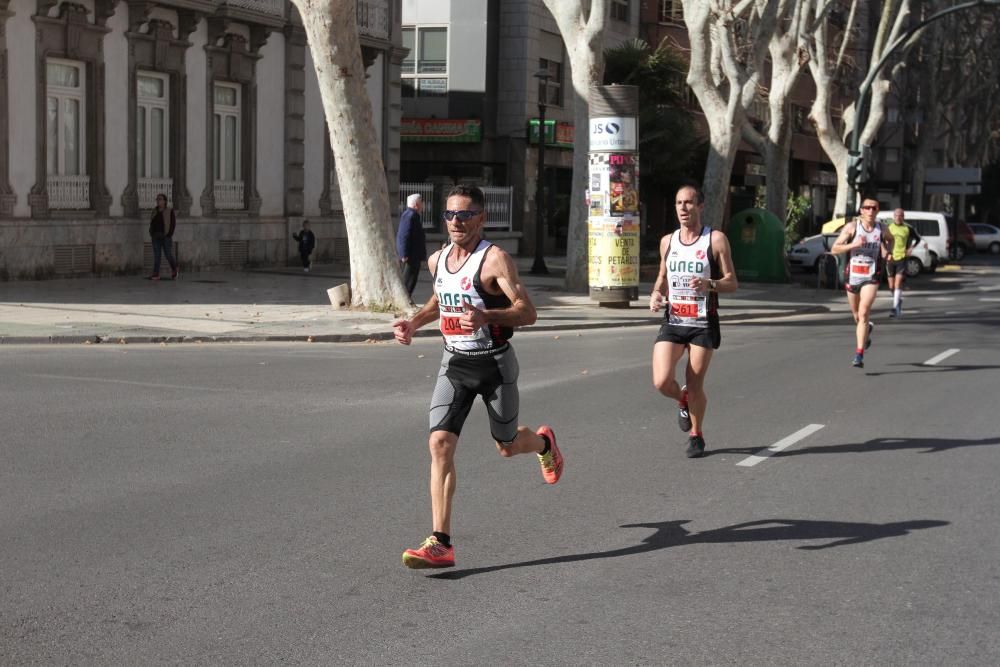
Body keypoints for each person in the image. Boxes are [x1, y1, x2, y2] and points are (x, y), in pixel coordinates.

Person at [392, 184, 563, 569]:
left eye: (465, 215)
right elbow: (440, 299)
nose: (456, 222)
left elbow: (527, 311)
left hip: (495, 365)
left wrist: (488, 316)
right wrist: (414, 322)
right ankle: (440, 542)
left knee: (505, 445)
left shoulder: (494, 260)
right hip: (454, 364)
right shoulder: (438, 261)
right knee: (439, 444)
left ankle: (542, 445)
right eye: (450, 215)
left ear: (481, 219)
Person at [649, 184, 738, 458]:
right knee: (662, 381)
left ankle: (696, 435)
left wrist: (709, 283)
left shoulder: (716, 240)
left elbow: (732, 282)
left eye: (689, 203)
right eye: (678, 203)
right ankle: (682, 399)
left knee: (695, 382)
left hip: (703, 322)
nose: (683, 208)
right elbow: (663, 278)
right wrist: (655, 295)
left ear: (700, 206)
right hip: (674, 320)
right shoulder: (668, 241)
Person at [831, 196, 894, 368]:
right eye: (867, 207)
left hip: (871, 276)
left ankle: (859, 355)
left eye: (874, 208)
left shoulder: (882, 228)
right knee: (856, 316)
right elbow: (834, 249)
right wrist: (853, 245)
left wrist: (887, 252)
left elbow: (891, 239)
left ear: (878, 211)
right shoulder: (852, 227)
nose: (871, 211)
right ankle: (867, 332)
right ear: (861, 210)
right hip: (853, 276)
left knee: (864, 312)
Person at [886, 208, 920, 318]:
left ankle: (895, 308)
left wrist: (910, 248)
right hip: (890, 258)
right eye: (896, 215)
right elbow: (882, 240)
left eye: (900, 215)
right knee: (891, 286)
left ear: (903, 217)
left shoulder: (908, 228)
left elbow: (917, 239)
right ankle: (898, 299)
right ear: (893, 217)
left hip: (902, 257)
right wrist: (886, 252)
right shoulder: (888, 227)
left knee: (898, 283)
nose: (898, 217)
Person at [396, 193, 427, 299]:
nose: (423, 205)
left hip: (414, 255)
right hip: (411, 255)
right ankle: (405, 298)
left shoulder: (413, 215)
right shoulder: (410, 215)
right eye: (421, 203)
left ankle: (407, 297)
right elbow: (403, 236)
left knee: (412, 278)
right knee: (408, 279)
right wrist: (403, 254)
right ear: (416, 204)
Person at [148, 193, 178, 280]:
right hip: (155, 236)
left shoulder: (169, 211)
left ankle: (174, 268)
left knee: (168, 254)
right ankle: (156, 274)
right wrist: (151, 232)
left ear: (164, 201)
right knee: (157, 256)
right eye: (157, 199)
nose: (158, 201)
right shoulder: (154, 211)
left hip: (165, 236)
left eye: (160, 199)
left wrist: (169, 234)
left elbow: (173, 224)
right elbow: (152, 223)